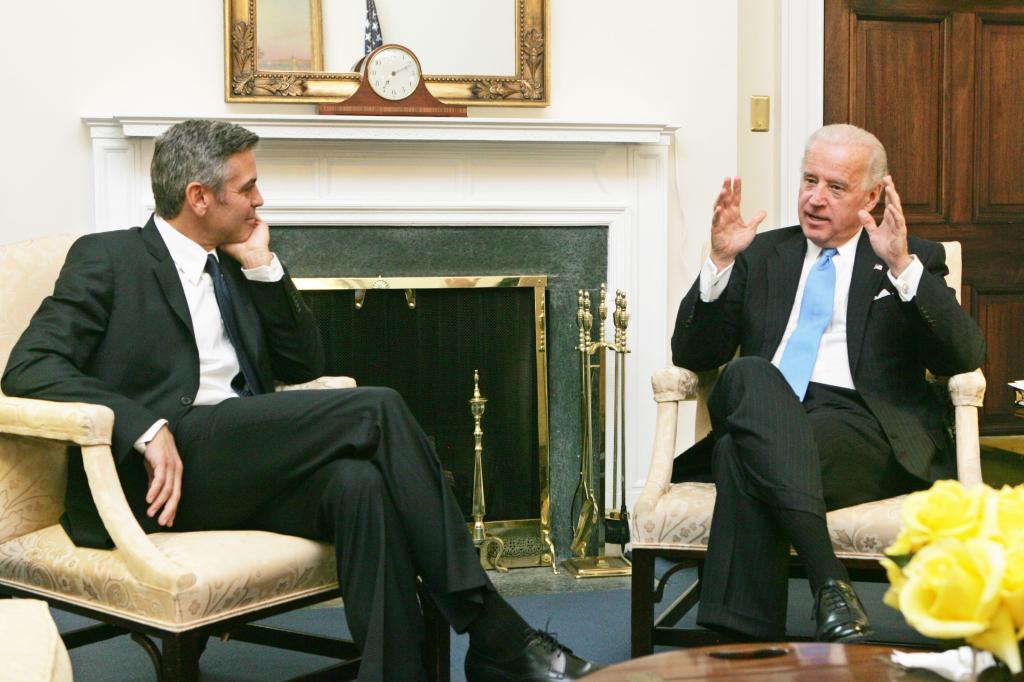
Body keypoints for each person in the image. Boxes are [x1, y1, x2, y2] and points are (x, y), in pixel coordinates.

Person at [1, 119, 599, 682]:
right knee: (377, 405)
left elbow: (301, 366)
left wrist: (263, 269)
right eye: (248, 186)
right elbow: (28, 366)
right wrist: (144, 426)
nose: (260, 200)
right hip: (161, 473)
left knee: (360, 484)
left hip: (242, 463)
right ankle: (494, 630)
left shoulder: (235, 267)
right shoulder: (108, 258)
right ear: (199, 196)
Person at [669, 124, 984, 643]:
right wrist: (720, 263)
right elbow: (694, 355)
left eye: (835, 187)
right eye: (809, 180)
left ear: (873, 195)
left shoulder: (912, 258)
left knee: (737, 459)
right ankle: (831, 584)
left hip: (860, 427)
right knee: (750, 373)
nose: (815, 199)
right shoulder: (759, 253)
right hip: (761, 403)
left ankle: (742, 647)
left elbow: (965, 356)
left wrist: (902, 269)